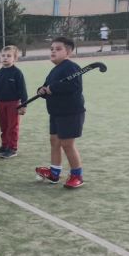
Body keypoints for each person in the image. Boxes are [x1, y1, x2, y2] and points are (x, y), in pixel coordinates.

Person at [35, 37, 86, 189]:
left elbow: (74, 86)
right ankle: (54, 173)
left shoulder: (71, 67)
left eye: (58, 49)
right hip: (56, 112)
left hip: (70, 113)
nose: (53, 51)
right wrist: (41, 90)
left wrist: (53, 89)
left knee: (67, 144)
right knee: (54, 141)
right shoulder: (55, 70)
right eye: (51, 49)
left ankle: (77, 175)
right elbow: (47, 86)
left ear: (68, 52)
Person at [0, 45, 28, 158]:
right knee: (4, 126)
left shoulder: (17, 73)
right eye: (3, 55)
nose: (5, 58)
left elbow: (22, 90)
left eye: (9, 56)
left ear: (15, 58)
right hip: (1, 104)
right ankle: (4, 145)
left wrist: (23, 105)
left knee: (12, 126)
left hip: (13, 104)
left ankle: (12, 148)